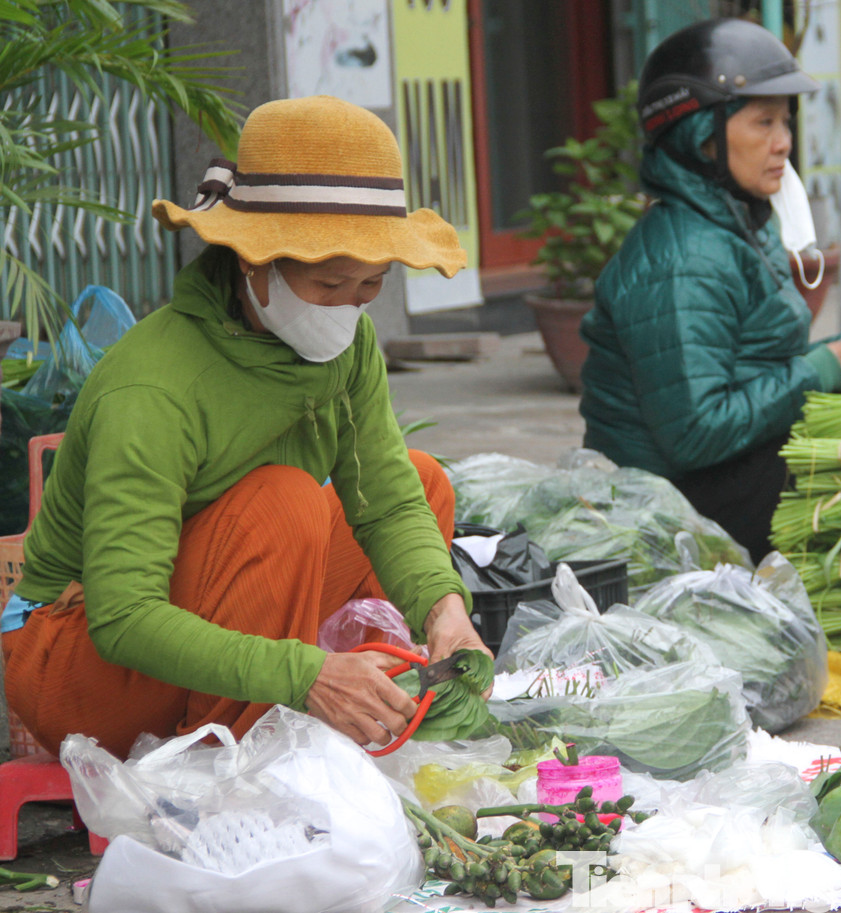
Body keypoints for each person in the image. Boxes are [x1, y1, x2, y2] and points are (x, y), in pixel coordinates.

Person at [2, 95, 489, 759]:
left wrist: (445, 609)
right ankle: (233, 761)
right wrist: (305, 673)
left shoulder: (349, 348)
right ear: (256, 261)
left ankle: (350, 707)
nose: (349, 310)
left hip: (211, 602)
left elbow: (388, 499)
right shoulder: (154, 387)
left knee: (423, 480)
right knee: (284, 504)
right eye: (330, 285)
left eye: (371, 286)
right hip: (76, 661)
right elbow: (123, 618)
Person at [579, 17, 841, 561]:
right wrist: (827, 367)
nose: (783, 144)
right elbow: (696, 431)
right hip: (674, 500)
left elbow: (757, 367)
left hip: (722, 467)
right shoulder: (685, 255)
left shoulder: (733, 225)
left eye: (787, 123)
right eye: (763, 123)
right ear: (701, 137)